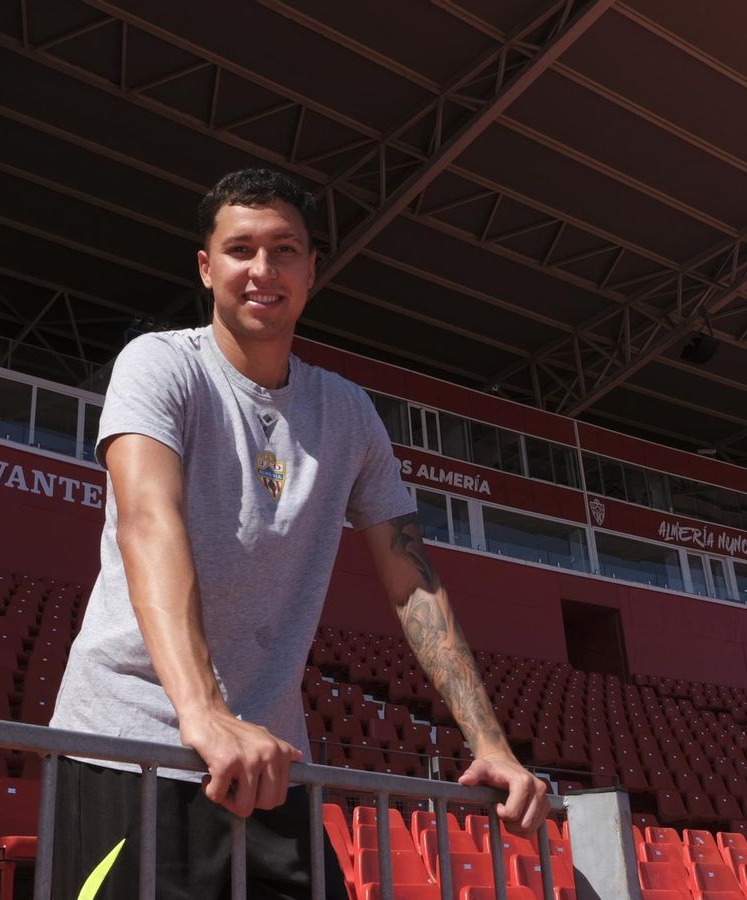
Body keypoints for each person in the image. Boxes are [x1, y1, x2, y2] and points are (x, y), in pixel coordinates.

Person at [48, 168, 546, 899]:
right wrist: (206, 715)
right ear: (206, 266)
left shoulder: (347, 413)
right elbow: (149, 521)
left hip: (272, 763)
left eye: (284, 250)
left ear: (311, 270)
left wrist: (491, 744)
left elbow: (414, 581)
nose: (262, 270)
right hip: (130, 748)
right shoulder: (158, 365)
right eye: (240, 248)